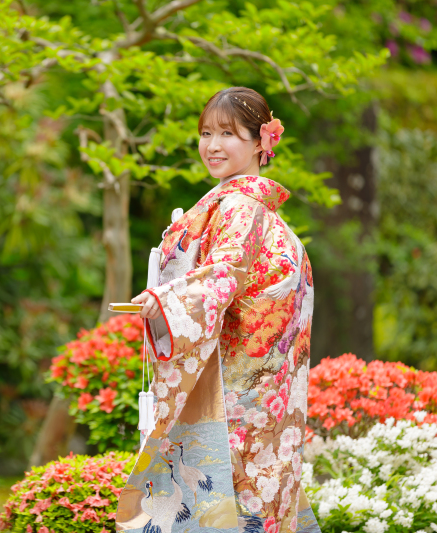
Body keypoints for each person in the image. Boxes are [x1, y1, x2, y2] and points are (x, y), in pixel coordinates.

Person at [115, 87, 320, 533]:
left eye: (227, 133)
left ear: (260, 142)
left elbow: (224, 274)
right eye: (206, 132)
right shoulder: (255, 210)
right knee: (259, 495)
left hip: (239, 394)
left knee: (225, 498)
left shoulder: (240, 207)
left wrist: (166, 300)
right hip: (263, 393)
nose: (212, 145)